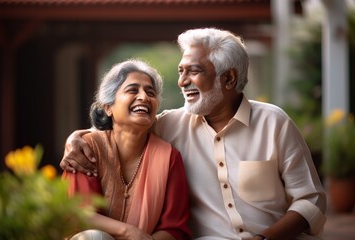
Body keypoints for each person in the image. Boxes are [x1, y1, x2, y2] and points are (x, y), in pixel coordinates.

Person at [61, 28, 327, 240]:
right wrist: (77, 139)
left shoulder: (274, 123)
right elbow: (120, 126)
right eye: (180, 71)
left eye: (194, 71)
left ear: (229, 79)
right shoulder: (172, 124)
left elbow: (310, 201)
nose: (181, 81)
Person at [62, 59, 191, 240]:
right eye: (132, 90)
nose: (144, 97)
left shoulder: (168, 156)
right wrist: (129, 232)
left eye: (150, 92)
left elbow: (175, 229)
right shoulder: (86, 148)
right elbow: (80, 214)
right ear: (108, 107)